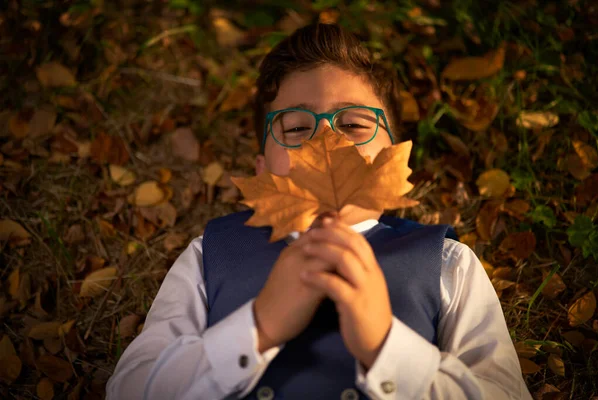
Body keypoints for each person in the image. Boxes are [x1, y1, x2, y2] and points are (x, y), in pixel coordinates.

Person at [106, 23, 532, 400]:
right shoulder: (209, 256)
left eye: (353, 124)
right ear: (262, 170)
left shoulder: (447, 264)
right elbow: (129, 388)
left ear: (396, 159)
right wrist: (258, 327)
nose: (325, 139)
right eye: (295, 128)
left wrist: (385, 346)